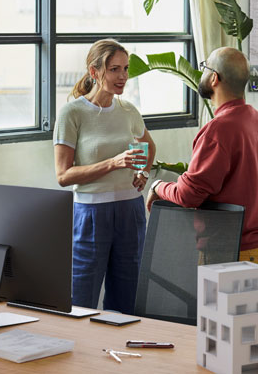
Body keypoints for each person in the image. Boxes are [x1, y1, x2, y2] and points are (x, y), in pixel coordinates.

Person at [147, 47, 258, 281]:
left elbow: (189, 194)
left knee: (220, 319)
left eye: (205, 67)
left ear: (214, 78)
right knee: (254, 320)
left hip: (234, 255)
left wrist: (157, 187)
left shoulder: (219, 130)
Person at [53, 38, 156, 312]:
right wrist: (113, 163)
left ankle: (122, 352)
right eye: (114, 69)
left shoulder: (128, 111)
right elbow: (63, 175)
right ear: (94, 72)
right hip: (90, 214)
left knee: (127, 300)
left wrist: (143, 172)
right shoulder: (72, 113)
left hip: (130, 211)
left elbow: (149, 146)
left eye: (125, 68)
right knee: (81, 299)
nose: (123, 76)